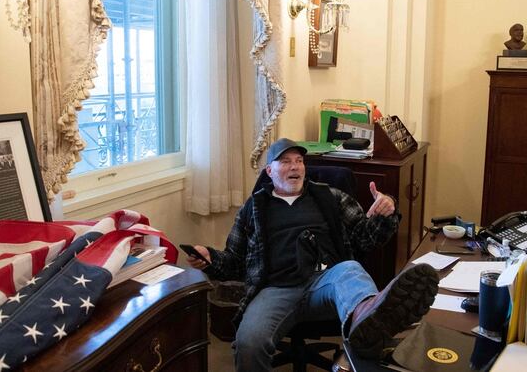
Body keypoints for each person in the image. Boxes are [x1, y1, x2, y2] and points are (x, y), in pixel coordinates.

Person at [185, 138, 439, 371]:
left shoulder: (329, 196)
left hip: (326, 281)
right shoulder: (252, 209)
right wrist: (209, 258)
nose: (295, 167)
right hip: (275, 289)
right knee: (249, 343)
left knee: (350, 269)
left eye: (299, 161)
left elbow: (366, 237)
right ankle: (365, 322)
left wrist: (386, 213)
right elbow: (234, 262)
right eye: (285, 161)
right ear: (269, 172)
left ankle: (366, 319)